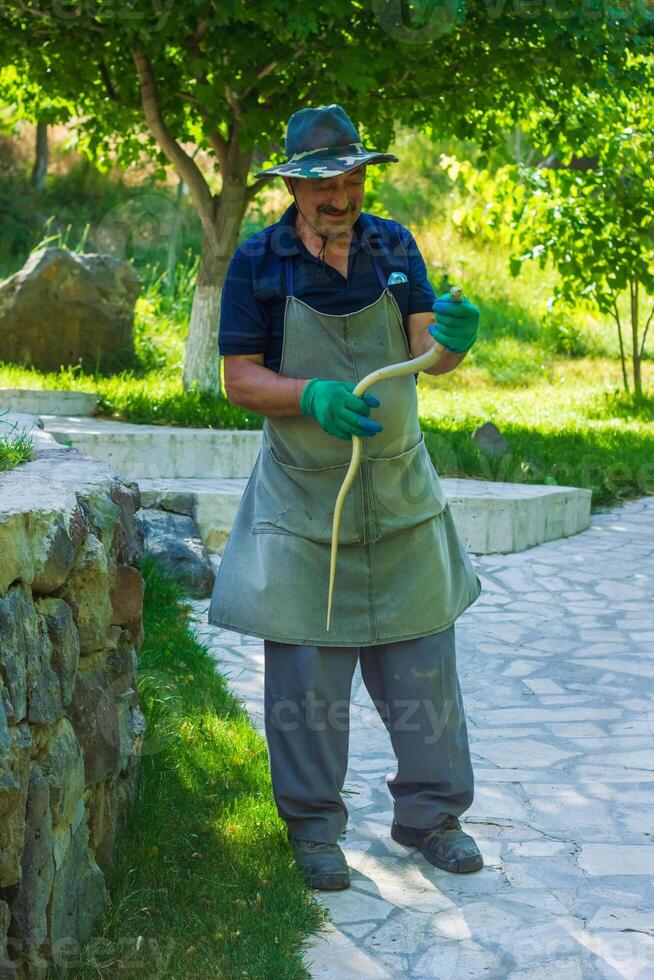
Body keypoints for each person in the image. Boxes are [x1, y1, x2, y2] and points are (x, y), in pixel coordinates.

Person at [208, 104, 484, 890]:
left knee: (424, 666)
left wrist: (453, 341)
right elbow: (238, 378)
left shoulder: (393, 245)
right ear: (294, 184)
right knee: (306, 679)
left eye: (354, 177)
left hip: (399, 491)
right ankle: (315, 831)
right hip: (303, 505)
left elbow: (427, 349)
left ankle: (432, 817)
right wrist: (313, 396)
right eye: (326, 182)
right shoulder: (259, 261)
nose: (343, 195)